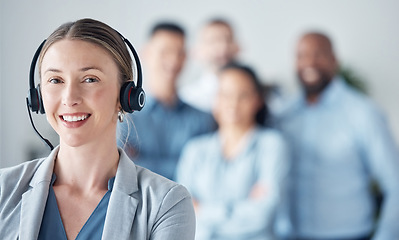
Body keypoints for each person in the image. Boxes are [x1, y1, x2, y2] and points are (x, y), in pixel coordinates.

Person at [0, 18, 195, 240]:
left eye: (90, 79)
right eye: (55, 80)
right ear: (38, 97)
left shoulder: (167, 203)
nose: (70, 98)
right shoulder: (4, 189)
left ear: (126, 95)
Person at [276, 32, 399, 240]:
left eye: (319, 54)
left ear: (335, 60)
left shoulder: (363, 113)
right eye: (301, 55)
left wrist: (385, 236)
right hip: (292, 235)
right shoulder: (283, 115)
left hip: (349, 234)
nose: (309, 62)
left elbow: (395, 184)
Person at [177, 62, 288, 240]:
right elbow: (184, 212)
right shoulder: (195, 149)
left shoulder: (272, 145)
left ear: (257, 100)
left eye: (243, 95)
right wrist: (238, 209)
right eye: (226, 94)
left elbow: (262, 216)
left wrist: (204, 210)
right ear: (215, 99)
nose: (234, 103)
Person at [118, 22, 215, 181]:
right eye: (165, 52)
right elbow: (122, 170)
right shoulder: (125, 118)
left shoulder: (203, 119)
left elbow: (206, 173)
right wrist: (186, 165)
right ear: (146, 53)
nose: (173, 60)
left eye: (180, 53)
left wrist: (142, 161)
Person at [179, 18, 240, 113]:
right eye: (213, 41)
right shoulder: (187, 98)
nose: (223, 48)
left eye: (228, 40)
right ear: (196, 51)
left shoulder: (257, 95)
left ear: (238, 48)